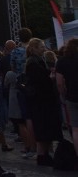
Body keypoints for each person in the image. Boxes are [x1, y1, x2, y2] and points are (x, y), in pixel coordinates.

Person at [24, 37, 62, 166]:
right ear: (34, 48)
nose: (44, 49)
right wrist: (50, 77)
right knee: (43, 128)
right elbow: (40, 81)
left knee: (43, 129)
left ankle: (43, 154)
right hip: (41, 101)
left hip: (40, 101)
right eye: (41, 47)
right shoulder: (34, 63)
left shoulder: (36, 61)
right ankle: (42, 155)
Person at [56, 37, 78, 159]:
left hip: (71, 97)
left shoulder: (62, 61)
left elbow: (59, 83)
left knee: (75, 129)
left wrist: (63, 95)